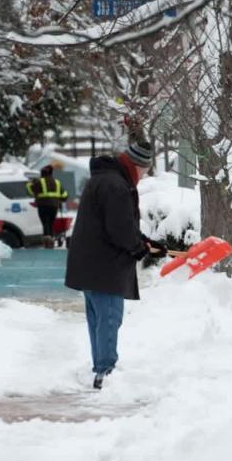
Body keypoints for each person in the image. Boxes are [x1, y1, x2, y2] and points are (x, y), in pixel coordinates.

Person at [64, 138, 167, 389]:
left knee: (98, 319)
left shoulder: (105, 179)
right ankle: (105, 373)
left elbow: (115, 223)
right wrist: (139, 248)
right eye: (144, 170)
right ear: (137, 165)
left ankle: (100, 367)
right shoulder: (116, 186)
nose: (143, 176)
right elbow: (119, 229)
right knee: (109, 319)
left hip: (91, 263)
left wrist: (143, 241)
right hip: (105, 266)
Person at [28, 164, 68, 248]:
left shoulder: (39, 182)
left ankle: (47, 240)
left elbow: (30, 191)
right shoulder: (57, 182)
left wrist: (30, 183)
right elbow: (64, 195)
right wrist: (59, 199)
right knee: (50, 222)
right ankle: (50, 239)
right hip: (54, 206)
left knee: (45, 222)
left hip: (43, 205)